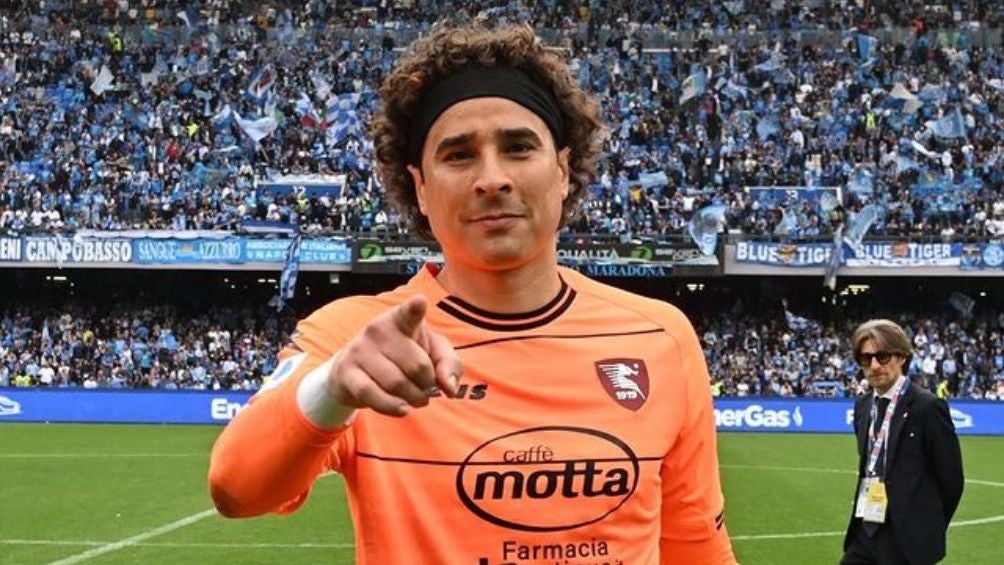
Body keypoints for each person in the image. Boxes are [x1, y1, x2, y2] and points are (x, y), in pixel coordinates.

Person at [209, 25, 736, 564]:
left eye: (518, 148)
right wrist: (333, 387)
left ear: (562, 171)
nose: (492, 179)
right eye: (459, 155)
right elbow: (236, 489)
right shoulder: (359, 342)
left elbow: (697, 550)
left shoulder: (660, 337)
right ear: (420, 187)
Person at [841, 319, 964, 565]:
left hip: (907, 542)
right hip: (866, 530)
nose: (874, 365)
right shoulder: (863, 406)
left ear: (902, 357)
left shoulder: (927, 407)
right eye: (866, 358)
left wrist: (925, 527)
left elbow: (951, 480)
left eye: (882, 356)